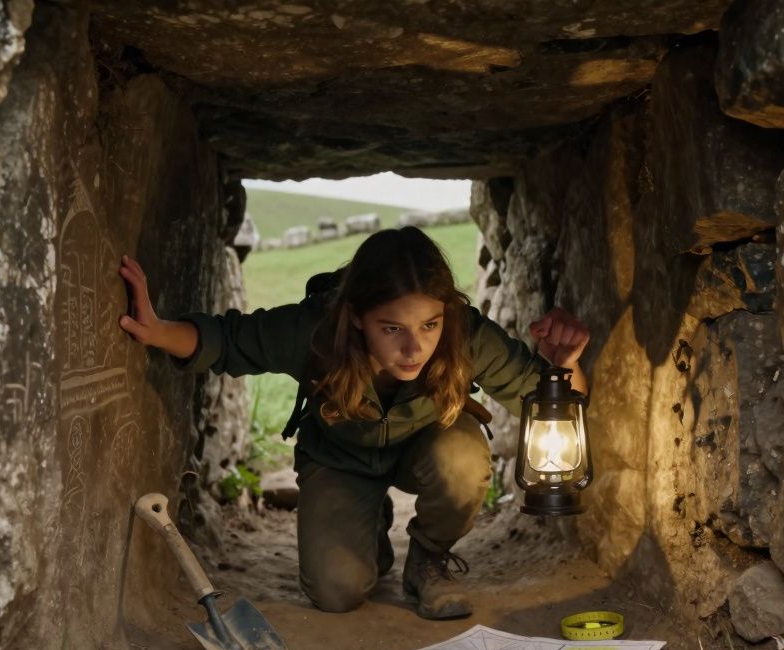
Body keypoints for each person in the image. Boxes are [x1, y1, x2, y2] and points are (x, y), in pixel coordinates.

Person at [117, 226, 590, 619]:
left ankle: (427, 560)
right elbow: (228, 340)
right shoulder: (316, 330)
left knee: (463, 457)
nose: (415, 348)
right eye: (393, 328)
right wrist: (157, 330)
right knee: (337, 593)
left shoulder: (464, 335)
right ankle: (369, 528)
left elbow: (555, 404)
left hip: (426, 448)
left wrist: (564, 364)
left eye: (429, 324)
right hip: (338, 459)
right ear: (356, 317)